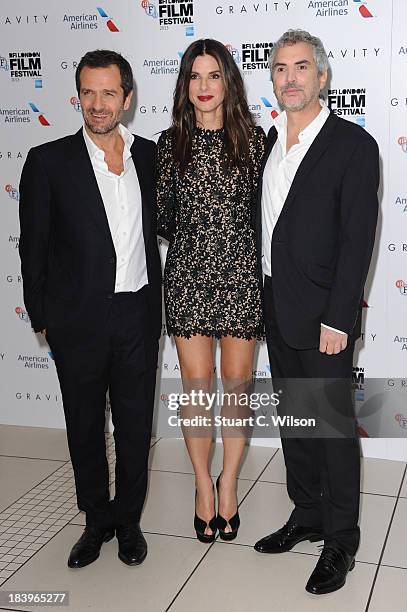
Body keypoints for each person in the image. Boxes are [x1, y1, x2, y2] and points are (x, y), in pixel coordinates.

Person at [19, 50, 161, 568]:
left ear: (127, 98)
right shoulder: (48, 160)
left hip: (139, 316)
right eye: (88, 92)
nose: (97, 105)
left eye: (108, 93)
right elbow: (31, 246)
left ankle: (128, 521)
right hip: (77, 319)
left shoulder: (150, 156)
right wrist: (43, 317)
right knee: (84, 424)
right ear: (78, 95)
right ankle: (95, 520)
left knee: (133, 425)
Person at [253, 30, 379, 594]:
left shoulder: (353, 145)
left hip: (324, 317)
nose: (291, 78)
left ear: (322, 76)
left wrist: (340, 319)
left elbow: (357, 241)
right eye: (281, 68)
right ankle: (306, 513)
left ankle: (341, 539)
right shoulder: (266, 143)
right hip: (275, 306)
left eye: (302, 67)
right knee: (296, 422)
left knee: (330, 429)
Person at [157, 39, 266, 543]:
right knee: (198, 393)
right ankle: (203, 485)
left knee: (237, 392)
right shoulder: (168, 144)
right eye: (195, 77)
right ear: (185, 84)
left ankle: (229, 483)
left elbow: (271, 215)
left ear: (228, 81)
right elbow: (161, 218)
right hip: (187, 281)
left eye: (214, 76)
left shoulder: (255, 142)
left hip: (241, 280)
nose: (204, 87)